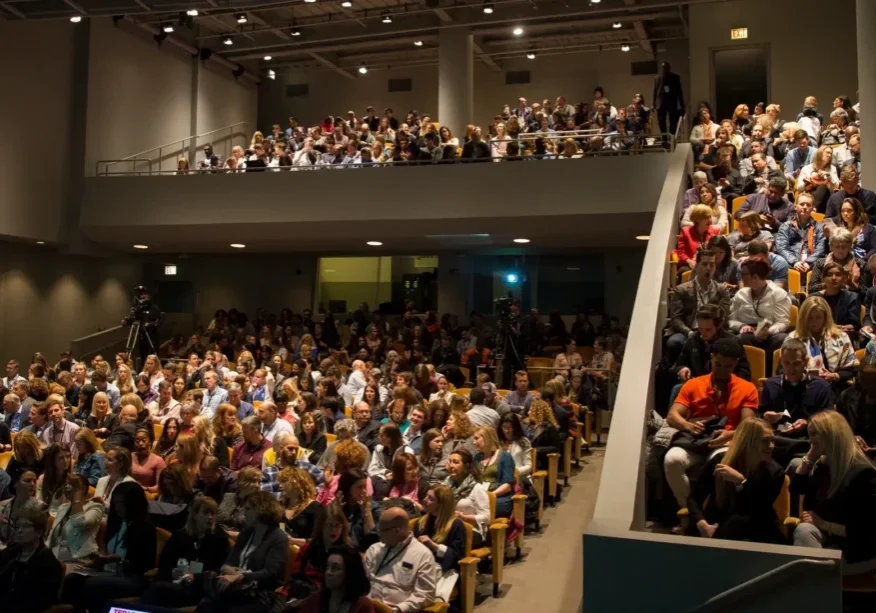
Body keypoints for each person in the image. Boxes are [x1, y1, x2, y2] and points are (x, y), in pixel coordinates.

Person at [663, 338, 759, 509]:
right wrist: (689, 426)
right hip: (695, 441)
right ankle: (690, 511)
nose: (722, 370)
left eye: (728, 366)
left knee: (719, 462)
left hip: (726, 444)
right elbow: (672, 416)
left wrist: (729, 434)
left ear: (736, 363)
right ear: (711, 358)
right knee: (672, 460)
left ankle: (709, 513)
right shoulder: (693, 384)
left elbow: (748, 426)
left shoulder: (747, 388)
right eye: (718, 364)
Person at [791, 411, 876, 567]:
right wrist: (808, 459)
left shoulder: (863, 473)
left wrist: (823, 524)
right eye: (809, 435)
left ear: (830, 434)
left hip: (857, 549)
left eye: (814, 434)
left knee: (814, 564)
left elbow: (865, 532)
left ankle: (812, 585)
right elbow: (797, 490)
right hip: (829, 540)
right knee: (804, 530)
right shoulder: (823, 466)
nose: (810, 440)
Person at [687, 418, 785, 543]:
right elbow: (694, 498)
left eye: (772, 440)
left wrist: (741, 481)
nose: (771, 446)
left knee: (737, 521)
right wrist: (701, 523)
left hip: (757, 527)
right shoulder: (720, 461)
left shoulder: (775, 472)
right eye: (765, 441)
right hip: (719, 523)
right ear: (748, 442)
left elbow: (759, 508)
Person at [200, 491, 289, 613]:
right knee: (206, 604)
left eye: (247, 509)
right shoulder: (247, 532)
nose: (243, 513)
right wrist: (229, 570)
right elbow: (229, 561)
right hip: (237, 588)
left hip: (260, 592)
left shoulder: (279, 538)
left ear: (260, 511)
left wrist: (241, 576)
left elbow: (270, 573)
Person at [75, 482, 157, 613]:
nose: (118, 508)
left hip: (133, 578)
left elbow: (144, 567)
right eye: (116, 503)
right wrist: (99, 559)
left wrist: (118, 560)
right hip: (111, 571)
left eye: (122, 504)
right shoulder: (117, 523)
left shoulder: (146, 528)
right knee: (73, 579)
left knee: (92, 585)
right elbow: (107, 550)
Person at [141, 495, 231, 608]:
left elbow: (223, 569)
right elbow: (164, 564)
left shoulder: (220, 539)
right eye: (206, 513)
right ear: (194, 515)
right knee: (153, 587)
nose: (210, 517)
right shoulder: (180, 536)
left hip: (201, 587)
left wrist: (196, 577)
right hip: (176, 581)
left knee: (158, 589)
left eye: (213, 513)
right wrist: (172, 572)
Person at [758, 338, 833, 466]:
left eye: (796, 363)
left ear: (806, 361)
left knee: (796, 464)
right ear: (781, 361)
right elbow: (759, 418)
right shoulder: (771, 385)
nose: (791, 369)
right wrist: (765, 418)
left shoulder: (821, 387)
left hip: (806, 443)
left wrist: (808, 423)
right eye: (787, 363)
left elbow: (829, 422)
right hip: (774, 442)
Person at [364, 506, 439, 612]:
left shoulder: (422, 555)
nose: (379, 535)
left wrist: (398, 609)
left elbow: (425, 594)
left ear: (397, 530)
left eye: (382, 531)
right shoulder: (374, 550)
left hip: (397, 609)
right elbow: (361, 582)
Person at [665, 249, 732, 364]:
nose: (708, 268)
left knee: (732, 342)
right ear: (696, 266)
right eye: (704, 264)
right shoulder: (681, 290)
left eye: (712, 265)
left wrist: (712, 332)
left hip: (713, 331)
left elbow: (724, 316)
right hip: (689, 331)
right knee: (674, 342)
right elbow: (676, 319)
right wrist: (690, 333)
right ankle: (676, 373)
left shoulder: (721, 290)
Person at [729, 259, 791, 372]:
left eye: (743, 274)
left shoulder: (778, 293)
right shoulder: (740, 294)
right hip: (746, 332)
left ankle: (768, 374)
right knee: (740, 338)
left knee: (781, 339)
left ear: (755, 277)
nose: (740, 277)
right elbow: (730, 320)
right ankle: (746, 373)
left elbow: (783, 322)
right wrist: (741, 326)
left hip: (770, 333)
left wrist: (769, 331)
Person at [0, 505, 63, 613]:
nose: (19, 530)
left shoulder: (47, 561)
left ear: (39, 532)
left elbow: (44, 600)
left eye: (25, 526)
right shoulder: (12, 552)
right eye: (17, 527)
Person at [788, 295, 857, 391]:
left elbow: (851, 369)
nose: (814, 322)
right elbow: (782, 369)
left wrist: (834, 375)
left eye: (818, 317)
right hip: (802, 388)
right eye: (810, 318)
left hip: (834, 387)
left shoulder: (841, 337)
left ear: (826, 317)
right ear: (803, 318)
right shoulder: (793, 338)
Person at [672, 305, 751, 385]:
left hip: (726, 386)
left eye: (708, 329)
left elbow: (744, 372)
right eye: (700, 328)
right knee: (677, 388)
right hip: (698, 385)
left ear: (719, 326)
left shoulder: (732, 342)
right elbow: (679, 364)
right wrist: (683, 368)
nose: (702, 333)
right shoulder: (693, 339)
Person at [296, 544, 374, 613]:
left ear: (349, 572)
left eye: (335, 568)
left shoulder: (363, 606)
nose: (328, 572)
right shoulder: (316, 599)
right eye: (327, 567)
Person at [45, 473, 105, 562]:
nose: (66, 487)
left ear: (83, 489)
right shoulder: (63, 507)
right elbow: (52, 536)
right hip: (57, 557)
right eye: (65, 484)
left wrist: (76, 498)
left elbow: (80, 523)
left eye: (71, 485)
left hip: (80, 559)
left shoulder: (95, 507)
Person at [809, 228, 870, 294]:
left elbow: (866, 292)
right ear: (831, 247)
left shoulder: (861, 264)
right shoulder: (820, 263)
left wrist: (851, 284)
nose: (840, 250)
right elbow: (812, 289)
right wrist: (828, 284)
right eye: (837, 246)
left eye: (844, 247)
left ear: (850, 247)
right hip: (825, 301)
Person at [776, 193, 826, 273]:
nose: (805, 207)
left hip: (812, 263)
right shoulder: (785, 226)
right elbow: (782, 247)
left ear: (812, 208)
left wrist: (808, 262)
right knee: (779, 262)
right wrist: (795, 262)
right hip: (791, 263)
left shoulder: (819, 227)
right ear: (795, 206)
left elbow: (820, 249)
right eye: (802, 204)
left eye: (808, 205)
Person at [472, 426, 515, 518]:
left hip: (499, 497)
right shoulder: (477, 457)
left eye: (476, 438)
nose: (474, 442)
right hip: (480, 496)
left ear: (487, 438)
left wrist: (490, 495)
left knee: (481, 507)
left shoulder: (505, 456)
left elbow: (507, 486)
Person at [837, 354, 876, 452]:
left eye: (873, 380)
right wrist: (851, 439)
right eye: (865, 379)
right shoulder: (846, 397)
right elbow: (838, 429)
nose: (869, 385)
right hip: (852, 453)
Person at [278, 465, 325, 545]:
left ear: (296, 483)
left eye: (284, 481)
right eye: (280, 482)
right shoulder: (281, 507)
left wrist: (293, 541)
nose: (280, 485)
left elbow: (317, 540)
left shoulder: (316, 508)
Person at [674, 205, 721, 280]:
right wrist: (689, 261)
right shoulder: (685, 231)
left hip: (710, 263)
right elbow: (681, 252)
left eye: (710, 217)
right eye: (706, 217)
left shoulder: (715, 231)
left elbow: (718, 251)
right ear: (698, 219)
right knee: (683, 271)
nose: (710, 220)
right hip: (691, 265)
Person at [0, 470, 41, 546]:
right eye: (27, 481)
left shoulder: (41, 507)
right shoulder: (2, 507)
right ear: (16, 483)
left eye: (34, 481)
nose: (32, 484)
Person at [217, 466, 261, 536]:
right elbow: (218, 520)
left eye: (259, 482)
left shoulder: (258, 504)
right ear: (242, 481)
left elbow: (254, 533)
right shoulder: (227, 497)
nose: (257, 485)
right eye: (253, 481)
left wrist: (228, 533)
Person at [832, 197, 876, 261]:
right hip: (840, 263)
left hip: (862, 263)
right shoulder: (838, 229)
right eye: (843, 211)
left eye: (849, 210)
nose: (845, 213)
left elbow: (874, 248)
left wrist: (863, 260)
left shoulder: (869, 228)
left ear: (857, 211)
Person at [93, 445, 136, 509]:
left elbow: (127, 512)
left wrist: (104, 504)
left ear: (120, 464)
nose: (105, 462)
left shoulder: (129, 484)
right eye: (106, 458)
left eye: (109, 460)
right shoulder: (101, 480)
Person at [652, 61, 684, 137]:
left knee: (673, 120)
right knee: (661, 121)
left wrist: (682, 104)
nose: (665, 69)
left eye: (666, 67)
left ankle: (671, 136)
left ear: (669, 68)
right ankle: (664, 137)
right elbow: (654, 91)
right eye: (663, 67)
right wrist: (653, 104)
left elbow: (679, 91)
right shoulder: (657, 78)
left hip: (672, 102)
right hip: (660, 103)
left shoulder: (675, 77)